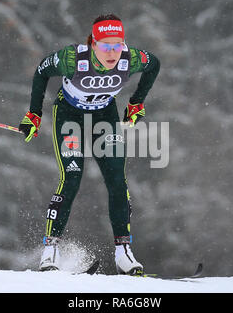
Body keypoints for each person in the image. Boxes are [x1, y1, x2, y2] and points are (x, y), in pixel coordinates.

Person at [19, 14, 160, 275]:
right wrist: (34, 114)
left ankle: (123, 253)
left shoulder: (131, 58)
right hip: (69, 115)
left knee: (117, 180)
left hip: (103, 116)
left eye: (117, 45)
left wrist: (136, 103)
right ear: (93, 43)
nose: (112, 52)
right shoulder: (73, 59)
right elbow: (41, 71)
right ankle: (50, 252)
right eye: (105, 45)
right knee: (72, 177)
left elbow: (155, 64)